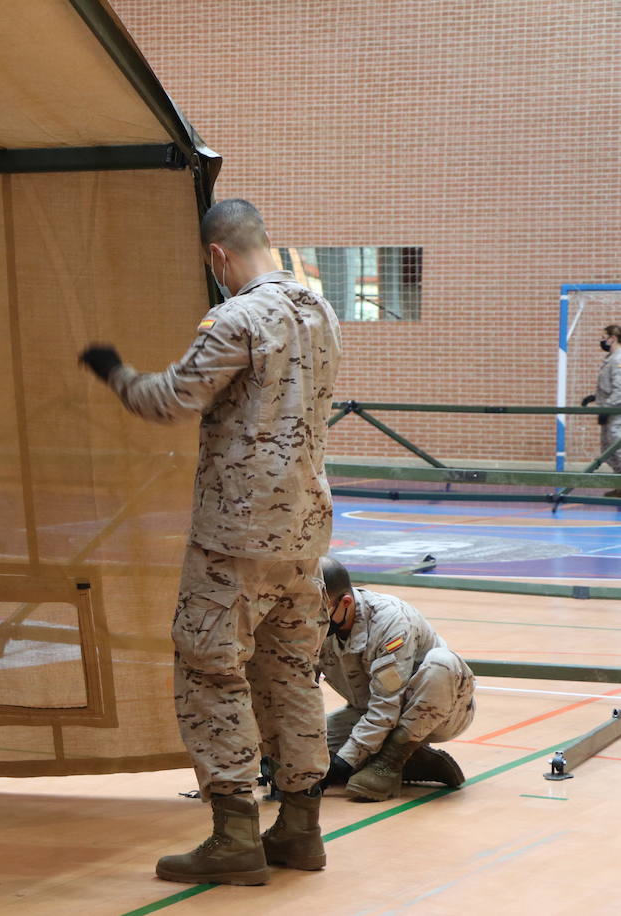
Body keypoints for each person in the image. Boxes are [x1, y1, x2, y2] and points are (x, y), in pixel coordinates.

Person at [79, 199, 342, 885]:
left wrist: (113, 371)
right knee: (290, 674)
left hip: (237, 534)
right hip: (304, 533)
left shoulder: (239, 318)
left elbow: (169, 398)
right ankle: (301, 829)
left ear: (218, 256)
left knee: (209, 669)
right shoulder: (320, 312)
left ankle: (233, 837)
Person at [316, 557, 475, 800]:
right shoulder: (314, 623)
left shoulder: (390, 620)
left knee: (443, 663)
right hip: (369, 711)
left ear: (345, 602)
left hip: (440, 713)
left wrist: (342, 765)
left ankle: (391, 760)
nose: (309, 617)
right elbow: (295, 688)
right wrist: (276, 752)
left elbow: (386, 706)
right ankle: (417, 761)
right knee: (310, 754)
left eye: (318, 610)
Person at [581, 324, 621, 495]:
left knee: (617, 448)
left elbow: (620, 390)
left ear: (612, 338)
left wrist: (607, 409)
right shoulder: (610, 359)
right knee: (607, 449)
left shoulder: (618, 360)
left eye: (604, 337)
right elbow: (608, 387)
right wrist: (595, 398)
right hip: (608, 409)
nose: (601, 340)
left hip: (616, 413)